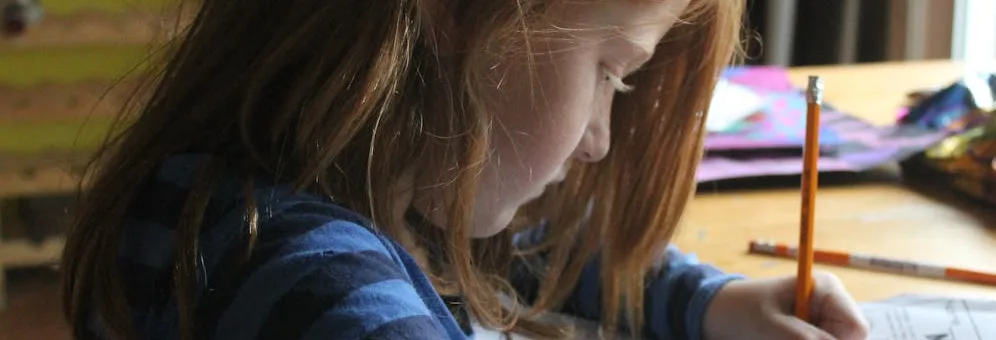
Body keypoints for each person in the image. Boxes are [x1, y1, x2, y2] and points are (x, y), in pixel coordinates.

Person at [59, 0, 869, 339]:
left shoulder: (320, 185)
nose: (599, 139)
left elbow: (534, 244)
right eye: (610, 71)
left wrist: (713, 302)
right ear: (455, 15)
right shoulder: (317, 287)